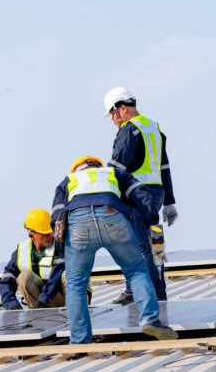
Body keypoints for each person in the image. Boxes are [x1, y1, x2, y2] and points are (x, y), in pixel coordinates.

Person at [51, 156, 178, 344]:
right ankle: (150, 320)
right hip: (112, 215)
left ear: (77, 169)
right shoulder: (115, 173)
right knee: (136, 270)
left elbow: (56, 219)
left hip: (78, 222)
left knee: (76, 283)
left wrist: (64, 251)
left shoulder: (68, 181)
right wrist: (155, 230)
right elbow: (142, 199)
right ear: (97, 166)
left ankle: (79, 341)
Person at [103, 86, 177, 304]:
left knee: (138, 247)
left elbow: (116, 168)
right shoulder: (154, 128)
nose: (113, 121)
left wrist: (107, 198)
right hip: (156, 195)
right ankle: (156, 291)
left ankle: (141, 292)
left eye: (112, 115)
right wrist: (170, 201)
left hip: (136, 196)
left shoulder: (129, 129)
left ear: (122, 109)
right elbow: (165, 168)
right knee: (156, 247)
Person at [0, 208, 66, 310]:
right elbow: (7, 278)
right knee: (24, 277)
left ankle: (76, 313)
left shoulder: (60, 246)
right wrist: (11, 304)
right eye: (45, 233)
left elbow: (56, 276)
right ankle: (37, 314)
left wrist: (44, 298)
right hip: (41, 302)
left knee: (68, 274)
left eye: (51, 232)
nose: (50, 236)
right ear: (32, 236)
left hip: (64, 298)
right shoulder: (22, 251)